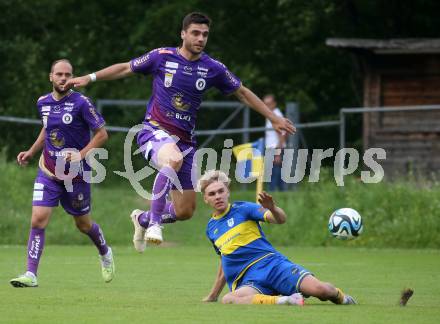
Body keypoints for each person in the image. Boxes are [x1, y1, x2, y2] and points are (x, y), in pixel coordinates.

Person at [63, 12, 296, 249]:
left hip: (186, 141)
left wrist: (272, 118)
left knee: (185, 211)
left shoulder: (212, 68)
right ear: (183, 33)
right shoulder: (162, 56)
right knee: (172, 158)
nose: (200, 38)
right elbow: (125, 68)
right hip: (154, 130)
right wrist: (89, 77)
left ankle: (142, 218)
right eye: (195, 33)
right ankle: (154, 223)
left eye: (205, 34)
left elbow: (242, 92)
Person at [10, 59, 114, 287]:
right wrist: (31, 151)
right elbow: (48, 129)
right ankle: (31, 274)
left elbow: (102, 134)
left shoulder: (81, 103)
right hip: (48, 171)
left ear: (72, 77)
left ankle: (105, 252)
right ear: (51, 77)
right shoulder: (42, 102)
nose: (63, 78)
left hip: (77, 175)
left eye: (68, 74)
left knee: (83, 225)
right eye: (59, 74)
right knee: (38, 220)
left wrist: (82, 154)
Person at [198, 170, 357, 306]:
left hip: (274, 266)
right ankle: (285, 301)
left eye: (220, 191)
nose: (217, 196)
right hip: (250, 281)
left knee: (323, 291)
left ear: (228, 192)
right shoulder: (211, 228)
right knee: (229, 299)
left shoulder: (243, 209)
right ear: (206, 199)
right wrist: (213, 295)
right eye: (212, 194)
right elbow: (224, 260)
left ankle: (342, 298)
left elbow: (280, 219)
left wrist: (272, 208)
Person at [263, 94, 286, 191]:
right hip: (272, 148)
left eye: (269, 104)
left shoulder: (276, 116)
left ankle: (272, 194)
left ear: (274, 104)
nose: (266, 106)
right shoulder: (270, 115)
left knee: (273, 175)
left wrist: (278, 153)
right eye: (265, 104)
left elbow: (282, 134)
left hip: (276, 149)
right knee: (276, 174)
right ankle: (282, 193)